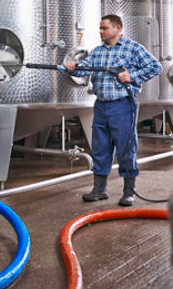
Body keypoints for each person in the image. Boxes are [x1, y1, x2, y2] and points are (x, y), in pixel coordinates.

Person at [64, 14, 162, 206]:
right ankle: (99, 190)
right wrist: (72, 67)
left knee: (126, 148)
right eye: (100, 28)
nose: (100, 32)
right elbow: (83, 70)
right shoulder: (98, 51)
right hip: (101, 105)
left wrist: (131, 76)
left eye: (104, 28)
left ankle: (128, 191)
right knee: (100, 147)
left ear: (117, 28)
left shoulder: (133, 48)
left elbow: (155, 66)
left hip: (123, 105)